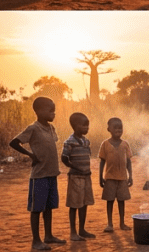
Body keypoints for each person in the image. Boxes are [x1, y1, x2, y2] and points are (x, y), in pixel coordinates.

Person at [9, 96, 65, 250]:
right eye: (50, 110)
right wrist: (30, 154)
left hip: (52, 174)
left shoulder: (51, 128)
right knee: (36, 209)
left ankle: (48, 236)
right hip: (39, 176)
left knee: (49, 207)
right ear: (39, 111)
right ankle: (36, 241)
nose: (53, 113)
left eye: (54, 110)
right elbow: (14, 142)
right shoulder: (33, 128)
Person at [61, 112, 95, 241]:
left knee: (84, 203)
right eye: (84, 125)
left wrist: (86, 170)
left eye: (87, 125)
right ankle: (73, 232)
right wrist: (75, 168)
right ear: (75, 126)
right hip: (75, 177)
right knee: (74, 205)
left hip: (86, 176)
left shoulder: (86, 141)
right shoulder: (69, 142)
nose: (87, 128)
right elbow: (64, 158)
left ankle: (82, 229)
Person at [98, 117, 132, 233]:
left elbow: (129, 162)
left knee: (122, 201)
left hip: (122, 178)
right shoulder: (105, 144)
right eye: (115, 128)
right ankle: (110, 223)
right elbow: (102, 162)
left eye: (120, 128)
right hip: (110, 178)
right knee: (110, 201)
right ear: (109, 129)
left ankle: (122, 223)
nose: (118, 130)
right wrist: (100, 177)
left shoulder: (125, 144)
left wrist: (130, 176)